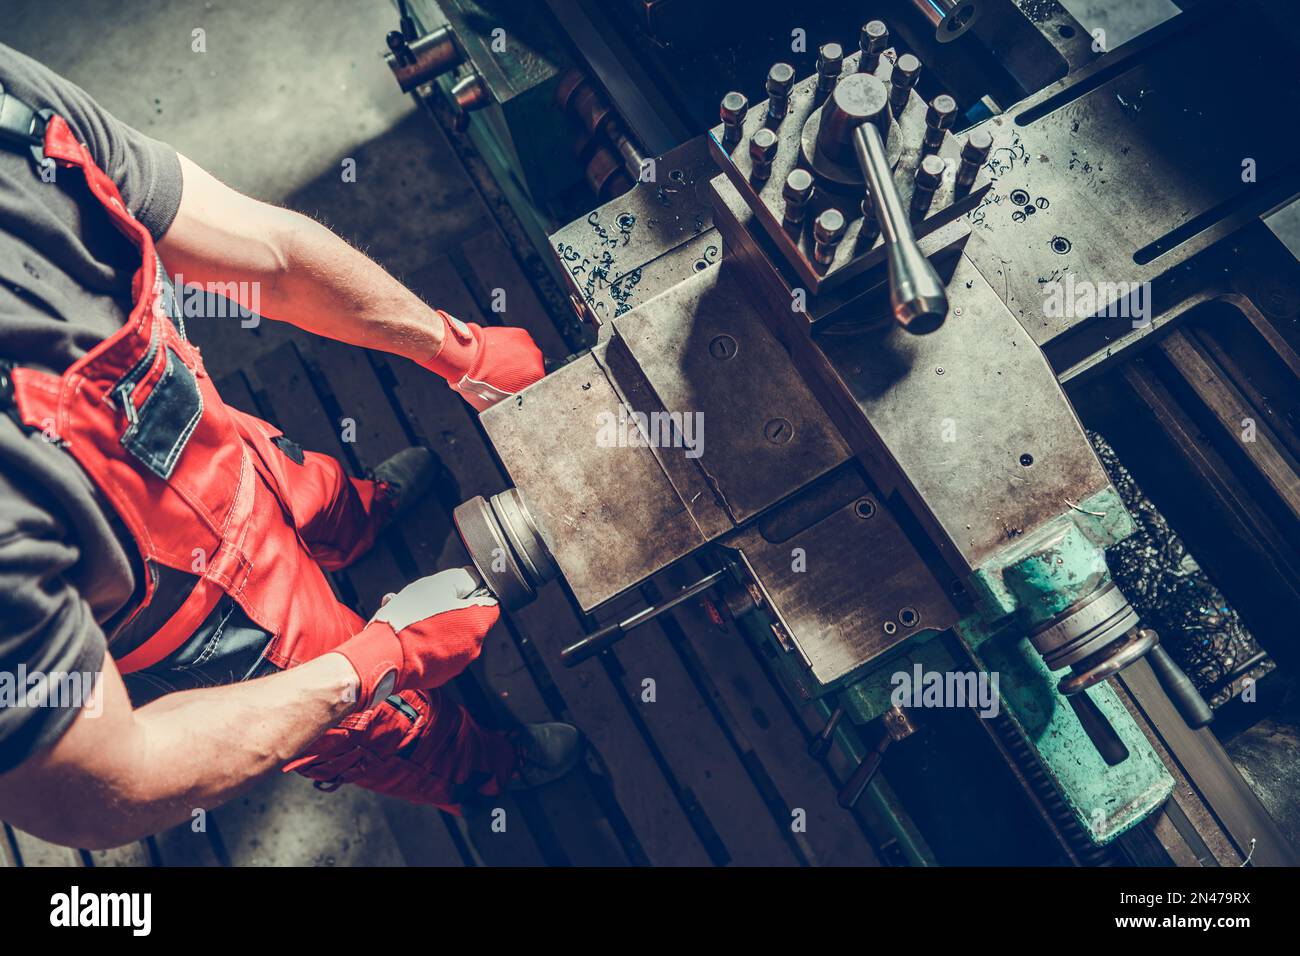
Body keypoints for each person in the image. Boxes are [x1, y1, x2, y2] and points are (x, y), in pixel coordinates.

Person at [0, 43, 580, 850]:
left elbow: (267, 256)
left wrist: (456, 349)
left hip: (219, 447)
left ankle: (359, 518)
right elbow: (96, 793)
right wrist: (377, 659)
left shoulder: (16, 122)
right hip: (208, 633)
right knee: (384, 723)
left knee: (323, 490)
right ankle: (482, 770)